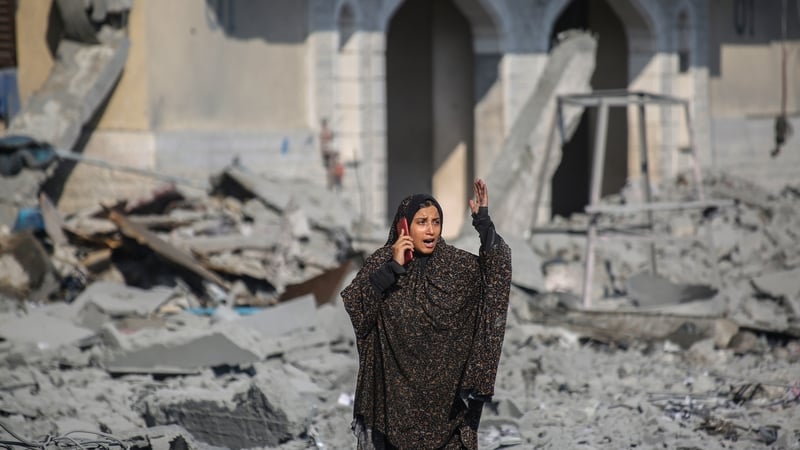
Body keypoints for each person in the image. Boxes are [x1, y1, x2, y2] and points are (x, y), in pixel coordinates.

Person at [341, 179, 512, 449]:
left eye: (436, 222)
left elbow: (496, 275)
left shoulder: (457, 266)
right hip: (393, 407)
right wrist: (392, 270)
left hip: (448, 410)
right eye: (422, 222)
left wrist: (484, 224)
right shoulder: (382, 262)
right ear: (404, 226)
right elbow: (357, 307)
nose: (431, 230)